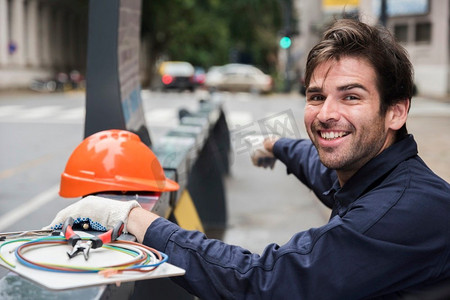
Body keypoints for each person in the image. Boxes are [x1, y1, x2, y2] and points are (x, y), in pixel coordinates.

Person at [48, 19, 450, 299]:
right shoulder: (374, 173)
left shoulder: (402, 210)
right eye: (316, 96)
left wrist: (132, 218)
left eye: (351, 96)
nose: (327, 112)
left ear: (396, 111)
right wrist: (275, 145)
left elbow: (263, 284)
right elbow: (318, 167)